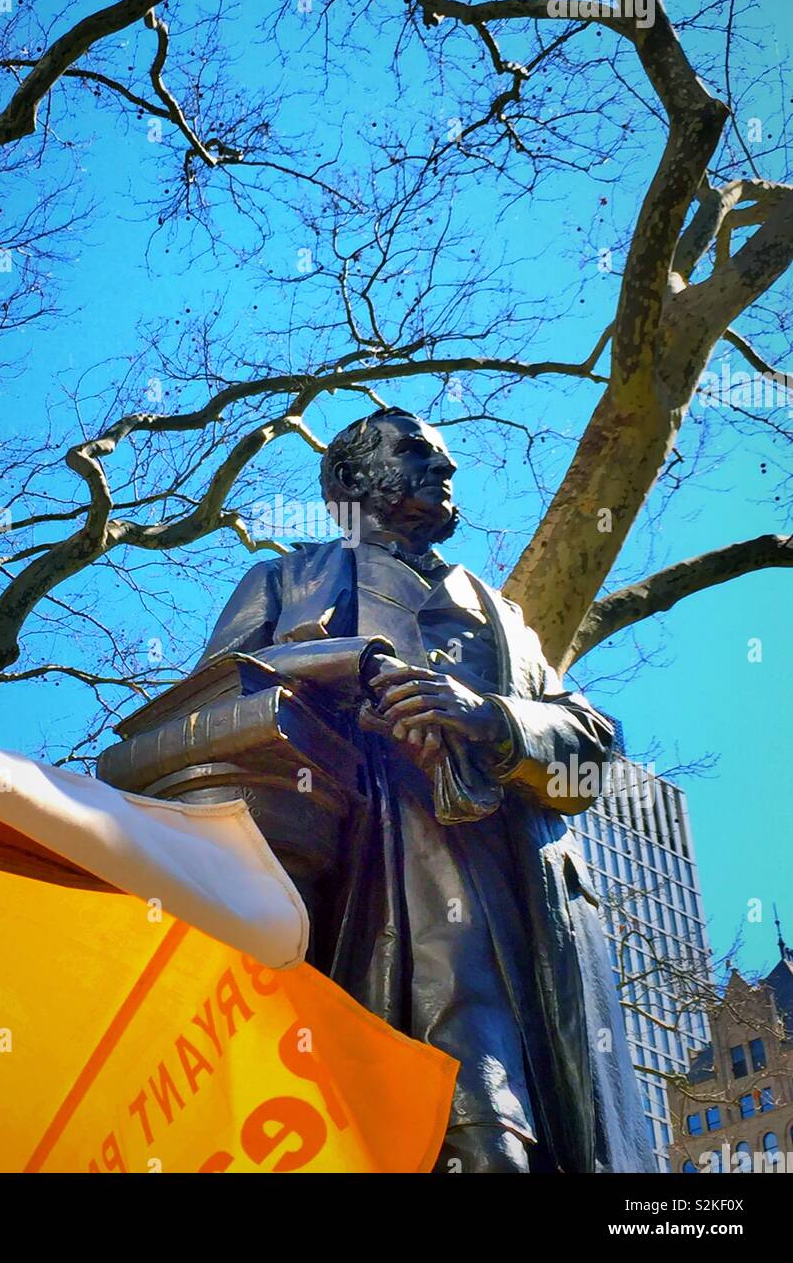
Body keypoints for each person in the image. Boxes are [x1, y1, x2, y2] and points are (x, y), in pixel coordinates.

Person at [196, 407, 653, 1173]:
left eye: (444, 457)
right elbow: (214, 707)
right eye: (415, 452)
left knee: (538, 1120)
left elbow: (595, 746)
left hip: (518, 889)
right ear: (348, 480)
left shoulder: (503, 618)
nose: (444, 469)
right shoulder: (285, 581)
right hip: (360, 869)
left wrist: (492, 718)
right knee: (462, 1119)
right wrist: (355, 667)